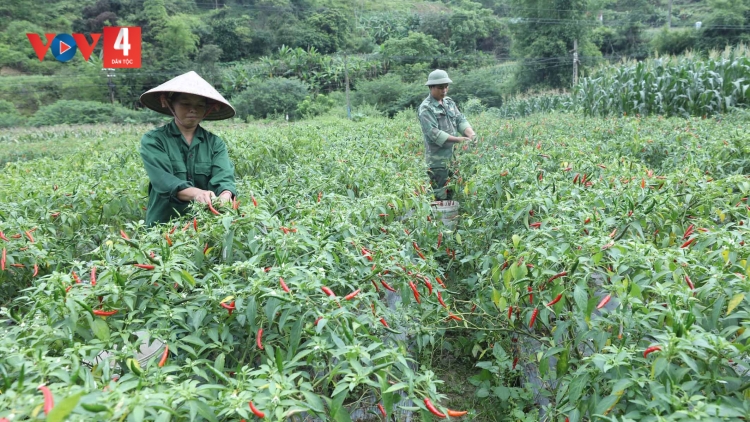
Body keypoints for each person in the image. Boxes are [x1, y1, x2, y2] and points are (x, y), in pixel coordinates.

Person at [139, 71, 237, 226]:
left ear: (207, 109)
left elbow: (224, 176)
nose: (193, 109)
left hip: (205, 225)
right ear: (170, 104)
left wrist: (225, 196)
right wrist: (197, 193)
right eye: (185, 104)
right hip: (163, 226)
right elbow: (164, 182)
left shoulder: (214, 143)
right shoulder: (154, 140)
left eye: (200, 105)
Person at [417, 69, 476, 200]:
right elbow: (434, 134)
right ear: (431, 87)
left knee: (454, 191)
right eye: (440, 87)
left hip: (454, 159)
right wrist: (459, 140)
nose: (444, 90)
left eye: (446, 87)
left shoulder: (449, 102)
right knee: (440, 194)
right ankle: (439, 220)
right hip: (438, 162)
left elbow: (460, 120)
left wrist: (471, 134)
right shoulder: (426, 108)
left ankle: (450, 219)